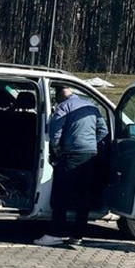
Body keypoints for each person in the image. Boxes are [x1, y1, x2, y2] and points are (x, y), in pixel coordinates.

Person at [34, 85, 107, 248]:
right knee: (83, 196)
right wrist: (90, 144)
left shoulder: (64, 107)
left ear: (60, 95)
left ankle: (55, 233)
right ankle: (78, 235)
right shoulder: (91, 106)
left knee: (61, 195)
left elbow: (54, 132)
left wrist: (57, 149)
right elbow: (103, 130)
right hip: (89, 155)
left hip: (71, 155)